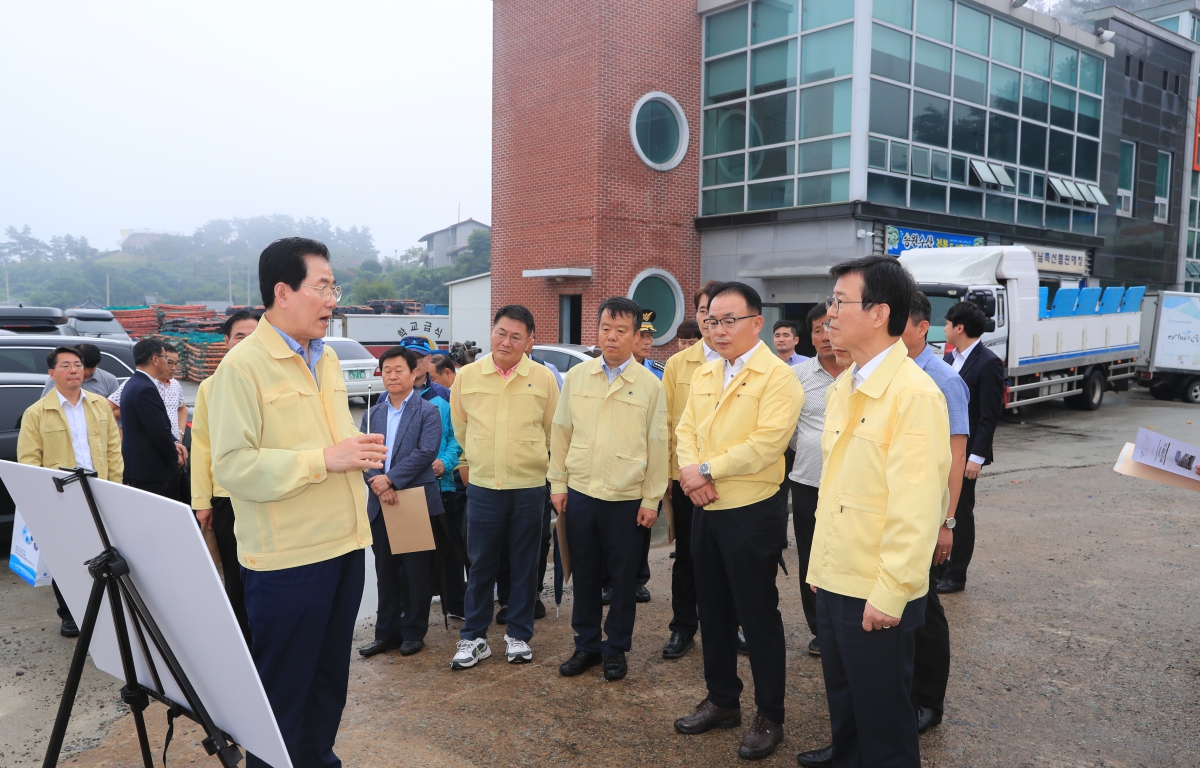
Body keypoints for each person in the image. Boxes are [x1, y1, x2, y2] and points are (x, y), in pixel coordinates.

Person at [208, 237, 388, 768]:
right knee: (283, 694)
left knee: (329, 684)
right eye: (323, 286)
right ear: (282, 292)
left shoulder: (327, 359)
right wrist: (323, 459)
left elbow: (331, 438)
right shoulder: (241, 368)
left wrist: (355, 453)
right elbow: (233, 467)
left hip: (345, 545)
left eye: (335, 287)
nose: (333, 299)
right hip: (289, 561)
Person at [797, 256, 950, 768]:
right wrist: (820, 567)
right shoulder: (849, 383)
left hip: (876, 592)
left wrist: (890, 592)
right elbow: (838, 491)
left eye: (840, 301)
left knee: (884, 726)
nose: (829, 313)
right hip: (838, 579)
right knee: (846, 709)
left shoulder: (914, 395)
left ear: (880, 312)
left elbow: (917, 508)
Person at [673, 281, 804, 762]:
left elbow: (768, 443)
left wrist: (706, 470)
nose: (718, 330)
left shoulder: (778, 378)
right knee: (713, 609)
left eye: (729, 320)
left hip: (750, 510)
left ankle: (770, 714)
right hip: (705, 506)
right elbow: (685, 429)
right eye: (711, 321)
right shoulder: (707, 373)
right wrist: (693, 477)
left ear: (756, 322)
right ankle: (723, 699)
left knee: (758, 614)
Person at [550, 297, 667, 681]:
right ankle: (586, 645)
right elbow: (562, 432)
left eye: (621, 330)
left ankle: (615, 647)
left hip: (626, 497)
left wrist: (651, 499)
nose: (611, 337)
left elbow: (657, 445)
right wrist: (558, 483)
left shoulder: (650, 385)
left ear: (636, 336)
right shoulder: (579, 379)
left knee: (623, 579)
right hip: (582, 491)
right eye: (605, 328)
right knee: (583, 573)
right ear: (596, 331)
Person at [449, 305, 559, 669]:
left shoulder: (543, 378)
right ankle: (474, 638)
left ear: (529, 341)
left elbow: (551, 432)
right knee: (481, 564)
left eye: (516, 336)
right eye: (500, 332)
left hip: (529, 487)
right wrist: (474, 461)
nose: (506, 341)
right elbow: (462, 428)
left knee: (526, 563)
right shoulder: (467, 376)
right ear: (491, 332)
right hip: (483, 487)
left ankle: (518, 634)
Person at [18, 346, 123, 638]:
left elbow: (113, 449)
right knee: (65, 558)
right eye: (65, 365)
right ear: (52, 374)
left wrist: (115, 488)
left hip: (99, 492)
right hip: (61, 498)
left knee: (104, 555)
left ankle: (107, 612)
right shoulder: (37, 413)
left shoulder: (100, 405)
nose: (74, 369)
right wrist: (40, 502)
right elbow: (29, 463)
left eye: (77, 364)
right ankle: (69, 615)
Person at [903, 292, 970, 735]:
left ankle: (930, 702)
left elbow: (955, 457)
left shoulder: (943, 380)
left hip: (928, 516)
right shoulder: (892, 374)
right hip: (897, 512)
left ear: (922, 327)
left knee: (925, 610)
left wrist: (947, 523)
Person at [358, 346, 445, 658]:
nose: (392, 375)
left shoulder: (427, 411)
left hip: (412, 500)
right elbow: (364, 453)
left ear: (413, 373)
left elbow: (426, 452)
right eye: (387, 370)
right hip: (381, 502)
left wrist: (391, 479)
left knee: (414, 572)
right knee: (386, 571)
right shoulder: (372, 413)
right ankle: (387, 634)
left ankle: (413, 632)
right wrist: (378, 483)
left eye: (399, 370)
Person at [660, 280, 724, 660]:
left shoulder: (752, 363)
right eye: (703, 312)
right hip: (685, 479)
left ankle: (731, 625)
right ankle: (683, 626)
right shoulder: (678, 364)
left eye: (719, 315)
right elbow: (669, 425)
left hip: (732, 480)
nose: (710, 321)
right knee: (687, 555)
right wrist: (673, 477)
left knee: (729, 557)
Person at [190, 310, 260, 646]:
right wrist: (202, 502)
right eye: (239, 337)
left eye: (254, 336)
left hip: (267, 493)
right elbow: (201, 446)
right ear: (226, 342)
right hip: (228, 498)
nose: (246, 344)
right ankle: (243, 645)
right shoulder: (209, 387)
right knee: (235, 575)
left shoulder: (273, 381)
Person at [787, 305, 847, 657]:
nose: (825, 336)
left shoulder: (859, 372)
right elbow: (789, 429)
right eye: (817, 330)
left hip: (850, 485)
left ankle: (845, 623)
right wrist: (813, 447)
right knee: (811, 556)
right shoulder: (798, 377)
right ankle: (819, 629)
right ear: (809, 337)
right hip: (808, 480)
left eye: (830, 327)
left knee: (844, 552)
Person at [936, 301, 1004, 595]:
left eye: (948, 323)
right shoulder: (951, 359)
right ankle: (940, 565)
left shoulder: (988, 362)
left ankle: (957, 574)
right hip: (944, 449)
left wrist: (976, 457)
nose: (945, 328)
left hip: (967, 455)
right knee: (940, 508)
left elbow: (989, 415)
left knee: (960, 513)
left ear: (960, 328)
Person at [119, 338, 187, 498]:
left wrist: (175, 441)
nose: (168, 364)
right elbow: (158, 430)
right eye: (165, 359)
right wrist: (174, 456)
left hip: (140, 469)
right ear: (155, 360)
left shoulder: (134, 383)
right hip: (149, 471)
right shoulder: (145, 389)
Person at [109, 343, 187, 440]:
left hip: (173, 446)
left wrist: (180, 434)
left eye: (176, 363)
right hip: (149, 449)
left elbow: (182, 409)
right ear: (156, 360)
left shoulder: (175, 385)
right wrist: (120, 435)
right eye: (169, 362)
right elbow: (106, 408)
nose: (173, 368)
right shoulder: (138, 384)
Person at [38, 343, 120, 406]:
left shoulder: (109, 380)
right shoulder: (55, 380)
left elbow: (117, 409)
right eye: (84, 367)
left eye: (93, 367)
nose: (89, 372)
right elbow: (44, 405)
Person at [399, 336, 451, 402]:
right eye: (409, 358)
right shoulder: (389, 396)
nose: (414, 363)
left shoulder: (445, 395)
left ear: (429, 359)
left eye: (418, 357)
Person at [632, 309, 665, 380]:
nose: (648, 342)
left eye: (651, 335)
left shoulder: (659, 372)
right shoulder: (615, 369)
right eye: (641, 336)